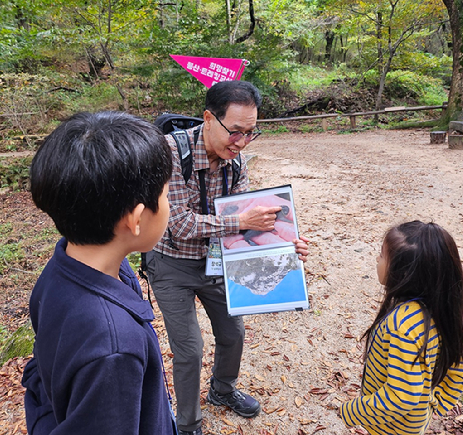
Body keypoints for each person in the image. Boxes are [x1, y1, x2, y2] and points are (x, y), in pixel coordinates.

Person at [145, 80, 309, 435]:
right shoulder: (169, 153)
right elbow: (177, 222)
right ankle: (187, 424)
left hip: (217, 260)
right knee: (189, 348)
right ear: (208, 118)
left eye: (251, 133)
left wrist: (285, 248)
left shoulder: (236, 162)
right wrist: (239, 221)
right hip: (170, 262)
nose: (242, 142)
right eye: (235, 132)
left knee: (233, 332)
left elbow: (247, 222)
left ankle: (222, 389)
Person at [21, 111, 177, 435]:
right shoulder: (114, 348)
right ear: (135, 220)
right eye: (165, 194)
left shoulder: (62, 267)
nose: (169, 203)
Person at [339, 221, 463, 435]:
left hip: (392, 428)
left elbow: (401, 397)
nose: (377, 259)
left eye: (382, 255)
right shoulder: (437, 309)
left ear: (403, 274)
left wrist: (352, 411)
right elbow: (462, 356)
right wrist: (439, 402)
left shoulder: (402, 326)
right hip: (413, 422)